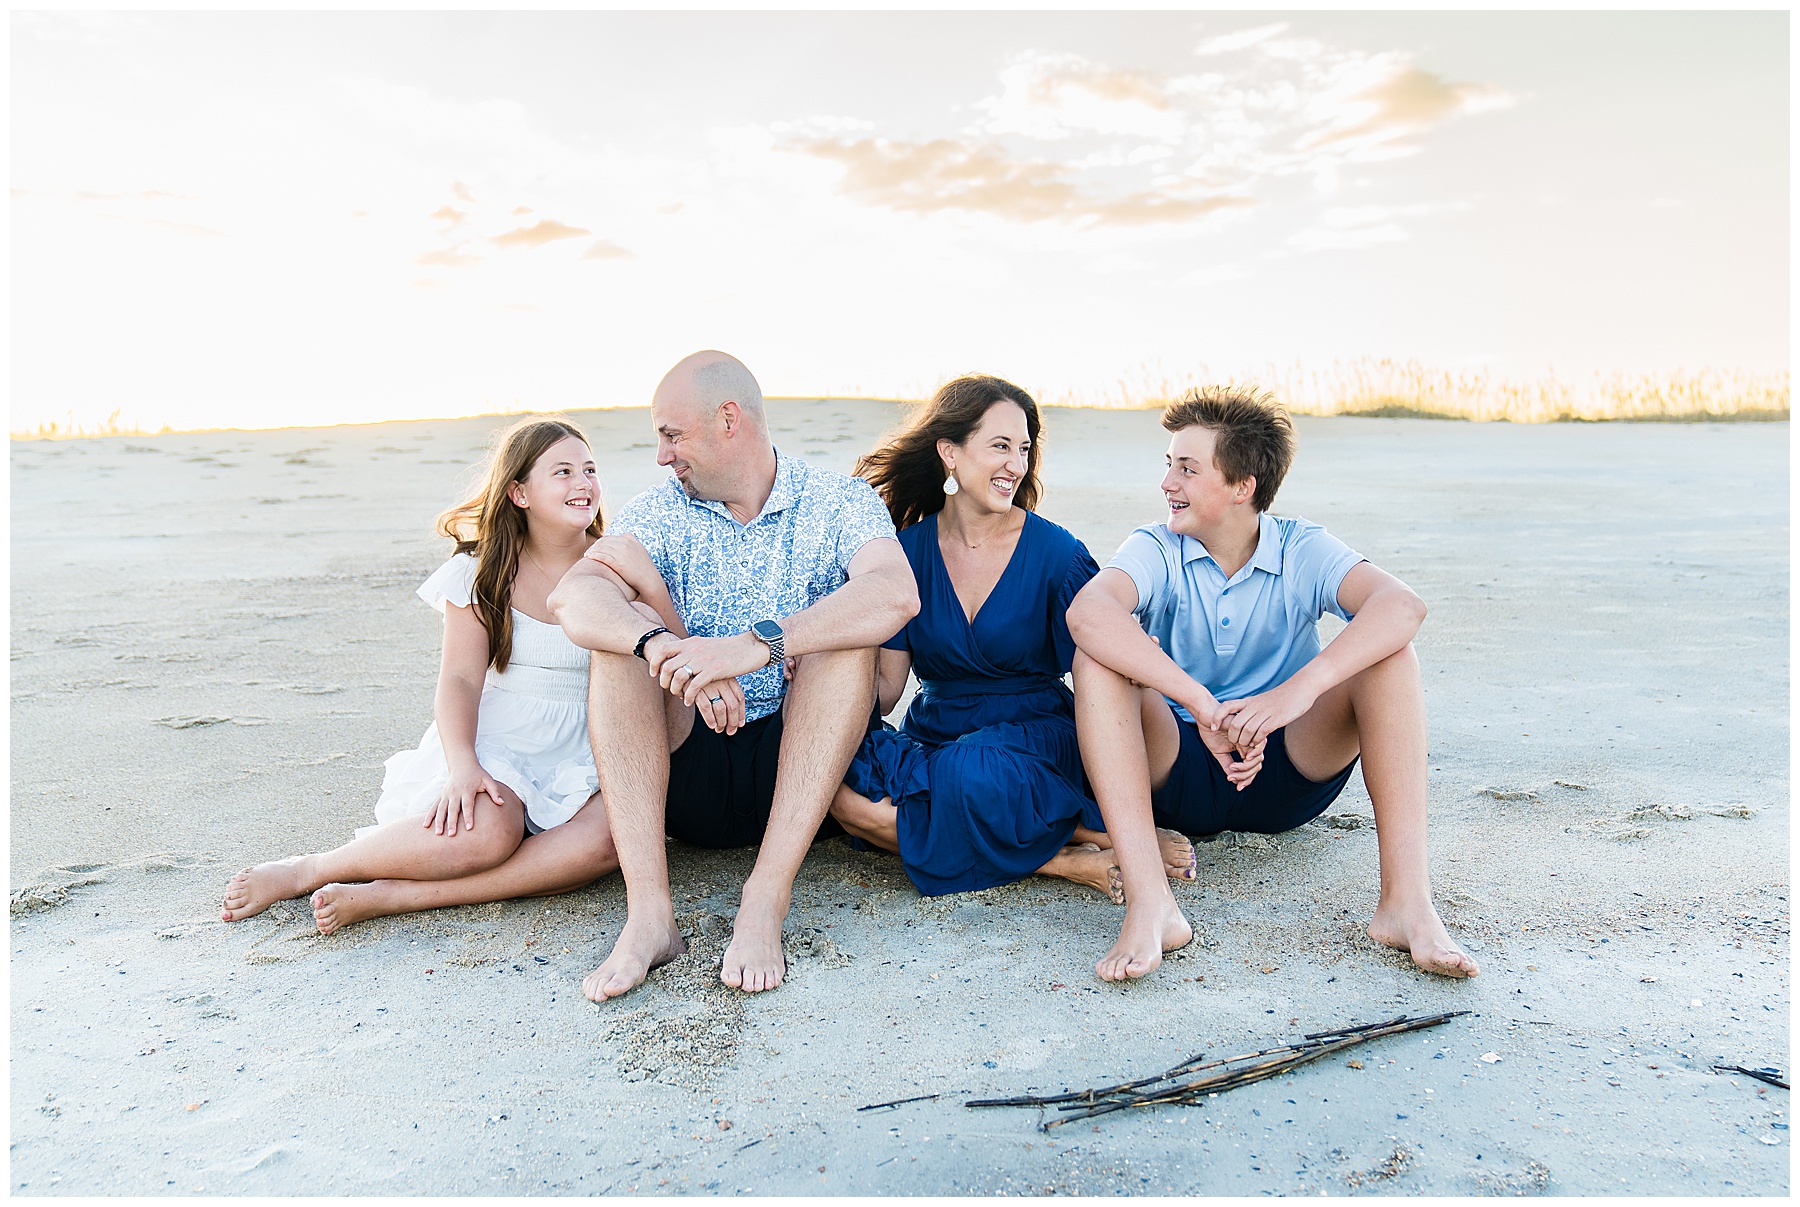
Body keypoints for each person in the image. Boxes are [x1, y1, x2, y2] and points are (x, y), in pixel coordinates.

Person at [1067, 385, 1479, 982]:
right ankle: (1152, 905)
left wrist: (1294, 694)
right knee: (1097, 661)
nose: (1167, 483)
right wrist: (1201, 704)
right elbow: (1090, 614)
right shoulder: (1155, 546)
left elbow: (1402, 606)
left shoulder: (1301, 547)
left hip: (1288, 766)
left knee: (1390, 656)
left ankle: (1406, 905)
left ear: (1242, 486)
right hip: (1178, 767)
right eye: (1168, 465)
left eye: (1187, 468)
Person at [550, 350, 919, 1000]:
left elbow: (894, 593)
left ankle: (764, 899)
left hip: (803, 773)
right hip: (688, 763)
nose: (663, 455)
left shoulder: (838, 501)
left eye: (672, 434)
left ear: (729, 419)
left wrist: (756, 646)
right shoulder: (661, 512)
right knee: (619, 635)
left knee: (845, 636)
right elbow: (574, 594)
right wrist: (664, 647)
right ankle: (650, 916)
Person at [220, 418, 667, 932]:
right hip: (506, 739)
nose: (584, 483)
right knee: (486, 836)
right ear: (519, 492)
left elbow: (668, 648)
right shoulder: (484, 572)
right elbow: (459, 680)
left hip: (595, 744)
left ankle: (391, 898)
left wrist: (650, 584)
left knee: (607, 845)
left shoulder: (615, 561)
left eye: (589, 469)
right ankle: (310, 869)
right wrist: (463, 766)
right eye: (562, 472)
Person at [828, 375, 1197, 898]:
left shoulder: (1056, 555)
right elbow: (887, 691)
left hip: (1037, 741)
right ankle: (1068, 857)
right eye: (1000, 446)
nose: (1016, 465)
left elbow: (1102, 677)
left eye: (1023, 449)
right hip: (938, 732)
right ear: (949, 452)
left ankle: (1101, 830)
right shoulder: (905, 553)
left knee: (968, 773)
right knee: (846, 790)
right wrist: (827, 660)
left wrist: (1155, 674)